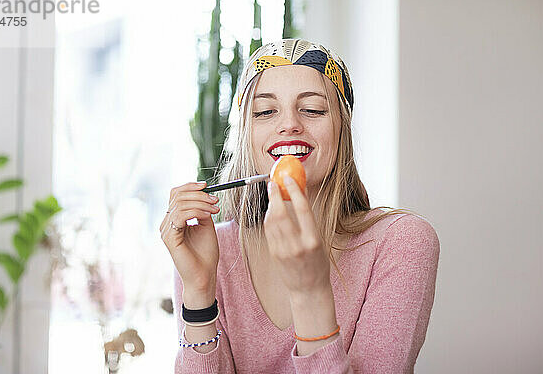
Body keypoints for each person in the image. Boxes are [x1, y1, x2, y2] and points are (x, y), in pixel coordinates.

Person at [159, 39, 440, 373]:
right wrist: (199, 292)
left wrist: (310, 292)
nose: (289, 124)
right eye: (265, 112)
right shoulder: (211, 250)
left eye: (313, 109)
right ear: (247, 135)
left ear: (342, 129)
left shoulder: (403, 243)